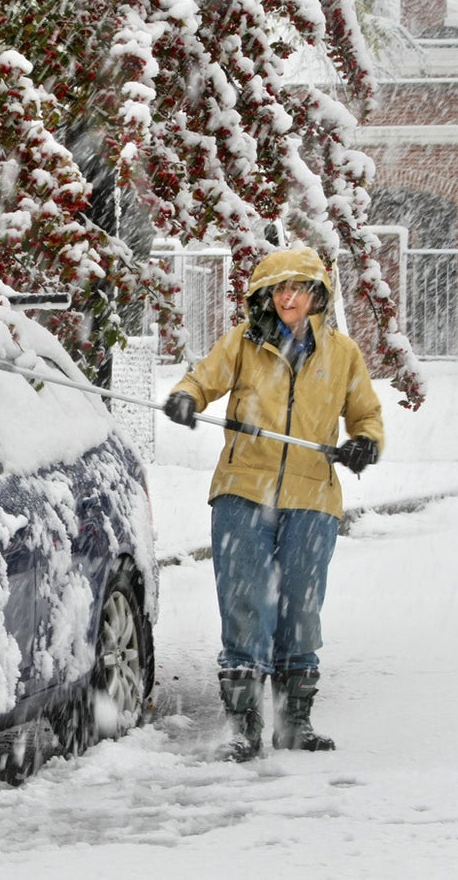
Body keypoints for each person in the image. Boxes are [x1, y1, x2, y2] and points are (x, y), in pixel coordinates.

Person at [163, 245, 384, 761]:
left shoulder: (342, 353)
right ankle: (243, 727)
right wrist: (186, 397)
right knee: (245, 608)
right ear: (265, 295)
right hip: (243, 491)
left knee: (301, 609)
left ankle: (294, 722)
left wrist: (365, 443)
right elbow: (203, 378)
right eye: (280, 289)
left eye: (299, 288)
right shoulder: (244, 342)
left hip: (312, 496)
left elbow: (366, 415)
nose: (289, 297)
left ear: (316, 296)